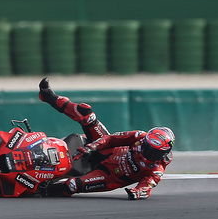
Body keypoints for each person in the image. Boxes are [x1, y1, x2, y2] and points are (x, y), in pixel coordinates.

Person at [38, 78, 174, 200]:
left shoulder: (156, 169)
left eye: (153, 152)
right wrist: (92, 147)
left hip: (107, 176)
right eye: (146, 146)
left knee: (72, 185)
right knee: (87, 115)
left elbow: (146, 187)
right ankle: (49, 97)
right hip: (107, 151)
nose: (146, 152)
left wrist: (137, 192)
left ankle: (38, 191)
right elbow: (111, 139)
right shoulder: (139, 136)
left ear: (163, 153)